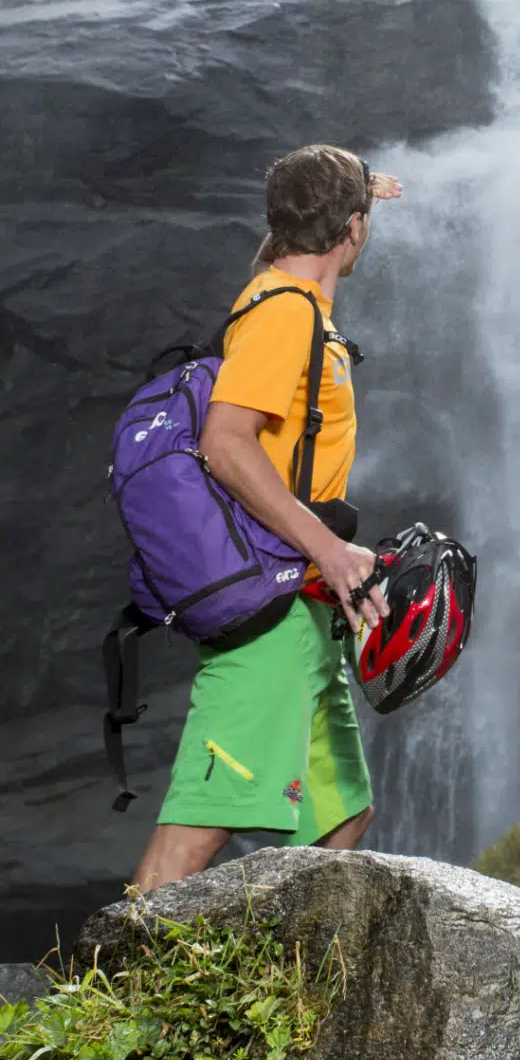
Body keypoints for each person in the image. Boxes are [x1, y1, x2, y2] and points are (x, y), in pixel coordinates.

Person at [132, 144, 401, 895]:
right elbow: (224, 443)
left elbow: (302, 219)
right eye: (359, 221)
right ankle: (113, 1011)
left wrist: (350, 195)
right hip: (271, 616)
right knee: (190, 839)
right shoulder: (284, 315)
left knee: (341, 816)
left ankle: (288, 999)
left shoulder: (285, 295)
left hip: (305, 608)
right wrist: (332, 548)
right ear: (351, 230)